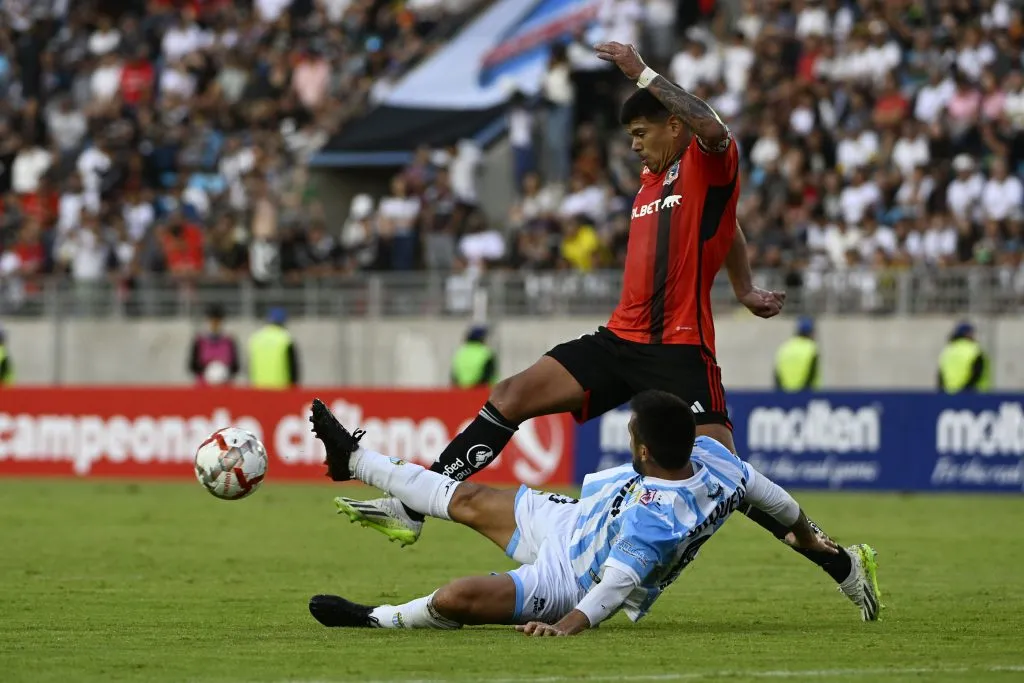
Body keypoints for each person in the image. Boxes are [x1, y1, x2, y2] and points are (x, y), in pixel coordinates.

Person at [336, 41, 878, 622]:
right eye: (630, 139)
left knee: (732, 483)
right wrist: (743, 286)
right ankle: (413, 509)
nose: (636, 146)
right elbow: (731, 229)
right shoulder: (651, 183)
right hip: (619, 340)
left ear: (675, 126)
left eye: (643, 133)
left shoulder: (706, 158)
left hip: (679, 352)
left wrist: (642, 72)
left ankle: (840, 564)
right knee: (510, 396)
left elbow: (714, 130)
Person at [308, 392, 880, 634]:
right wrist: (814, 542)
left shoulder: (662, 517)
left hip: (571, 577)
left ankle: (377, 619)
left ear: (645, 451)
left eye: (632, 434)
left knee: (458, 597)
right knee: (468, 496)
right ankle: (353, 458)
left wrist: (566, 625)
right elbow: (778, 502)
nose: (629, 437)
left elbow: (618, 583)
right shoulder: (715, 458)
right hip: (578, 520)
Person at [247, 307, 300, 389]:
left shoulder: (256, 338)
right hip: (281, 388)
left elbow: (249, 365)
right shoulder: (286, 338)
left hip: (257, 388)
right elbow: (293, 368)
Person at [188, 304, 240, 386]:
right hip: (204, 387)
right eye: (212, 321)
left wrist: (223, 371)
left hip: (225, 387)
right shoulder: (200, 341)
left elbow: (235, 367)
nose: (215, 324)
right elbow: (192, 366)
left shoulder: (229, 341)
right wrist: (209, 370)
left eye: (218, 321)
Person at [938, 321, 990, 393]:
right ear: (968, 334)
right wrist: (965, 391)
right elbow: (977, 373)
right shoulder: (975, 350)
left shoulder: (947, 351)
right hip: (974, 396)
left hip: (950, 397)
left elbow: (940, 376)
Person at [774, 317, 820, 392]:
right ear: (811, 332)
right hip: (807, 396)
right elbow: (811, 374)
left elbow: (777, 375)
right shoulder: (812, 348)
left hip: (784, 396)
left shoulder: (784, 348)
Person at [450, 325, 497, 389]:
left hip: (461, 392)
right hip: (480, 392)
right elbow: (490, 375)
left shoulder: (460, 352)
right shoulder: (486, 353)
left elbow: (454, 376)